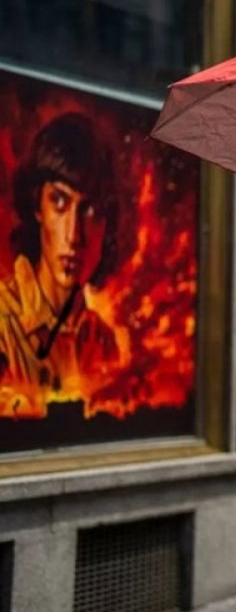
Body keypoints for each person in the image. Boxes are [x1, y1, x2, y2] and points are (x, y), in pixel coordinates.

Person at [0, 113, 124, 417]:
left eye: (89, 210)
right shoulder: (4, 321)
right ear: (37, 207)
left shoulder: (102, 340)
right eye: (59, 201)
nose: (73, 235)